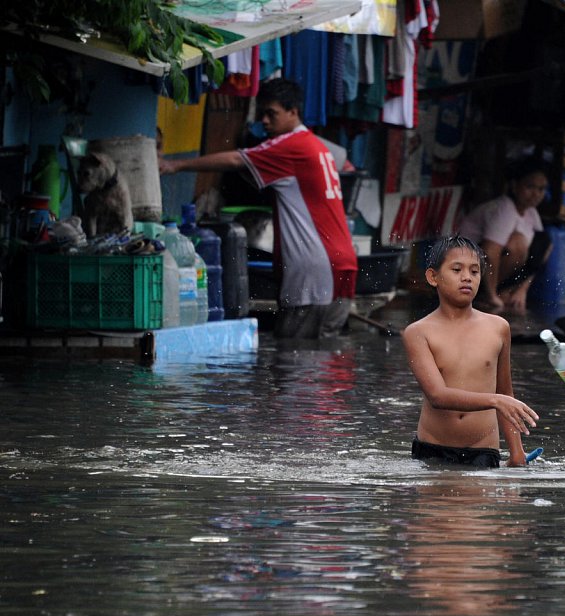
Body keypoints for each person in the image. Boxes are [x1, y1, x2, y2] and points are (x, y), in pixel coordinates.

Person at [158, 78, 357, 337]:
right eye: (261, 113)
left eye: (271, 113)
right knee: (326, 363)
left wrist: (175, 166)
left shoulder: (290, 145)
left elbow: (235, 159)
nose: (264, 120)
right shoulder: (318, 147)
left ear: (293, 112)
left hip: (314, 269)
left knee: (295, 361)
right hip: (343, 264)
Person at [402, 235, 539, 468]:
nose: (467, 277)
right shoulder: (418, 332)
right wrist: (495, 401)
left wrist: (517, 453)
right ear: (433, 277)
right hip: (433, 449)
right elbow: (437, 396)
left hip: (483, 449)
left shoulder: (498, 327)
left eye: (474, 272)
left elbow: (505, 391)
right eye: (456, 269)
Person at [458, 157, 553, 313]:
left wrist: (522, 290)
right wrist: (491, 295)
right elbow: (490, 252)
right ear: (515, 186)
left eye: (541, 189)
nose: (536, 194)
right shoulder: (504, 209)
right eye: (530, 187)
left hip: (486, 273)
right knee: (518, 242)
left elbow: (541, 251)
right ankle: (484, 294)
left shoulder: (531, 213)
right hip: (464, 270)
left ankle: (503, 292)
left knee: (544, 242)